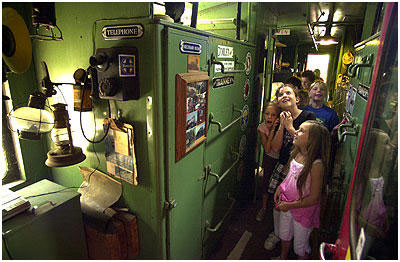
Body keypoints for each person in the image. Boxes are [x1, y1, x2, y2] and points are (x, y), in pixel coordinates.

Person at [263, 85, 316, 251]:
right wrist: (281, 126)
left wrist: (290, 127)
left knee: (296, 204)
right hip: (283, 166)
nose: (284, 95)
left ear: (297, 99)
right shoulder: (280, 118)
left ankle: (295, 238)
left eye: (288, 93)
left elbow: (309, 145)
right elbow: (276, 148)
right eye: (280, 94)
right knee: (278, 203)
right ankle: (278, 234)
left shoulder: (308, 116)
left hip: (301, 169)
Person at [273, 120, 331, 259]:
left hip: (303, 211)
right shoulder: (296, 154)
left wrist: (290, 205)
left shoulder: (316, 165)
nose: (296, 132)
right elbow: (289, 177)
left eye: (301, 130)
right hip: (287, 204)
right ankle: (283, 257)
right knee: (284, 235)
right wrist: (280, 188)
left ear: (313, 140)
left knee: (300, 246)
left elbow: (313, 198)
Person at [256, 102, 281, 221]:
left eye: (273, 115)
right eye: (267, 114)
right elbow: (266, 149)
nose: (269, 117)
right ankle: (264, 207)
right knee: (266, 180)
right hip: (270, 157)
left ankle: (277, 208)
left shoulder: (282, 126)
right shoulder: (262, 128)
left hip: (281, 158)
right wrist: (271, 132)